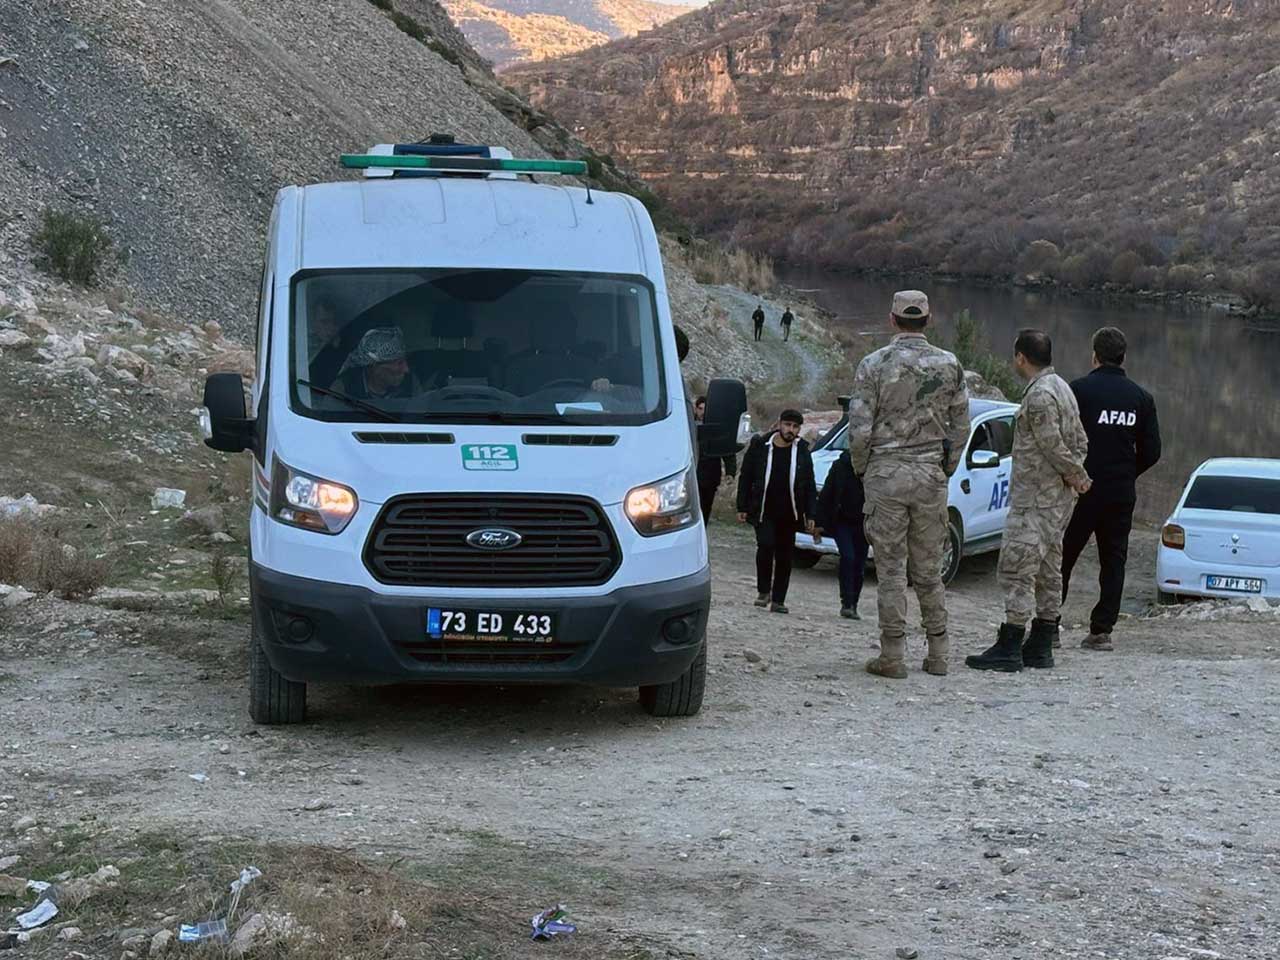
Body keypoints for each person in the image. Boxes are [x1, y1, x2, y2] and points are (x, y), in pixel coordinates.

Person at [848, 290, 970, 678]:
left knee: (890, 568)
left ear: (892, 319)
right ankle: (938, 653)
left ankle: (893, 655)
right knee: (929, 569)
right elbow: (961, 426)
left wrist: (864, 469)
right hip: (930, 473)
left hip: (886, 473)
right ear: (928, 320)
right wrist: (946, 466)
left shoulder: (874, 364)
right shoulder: (949, 365)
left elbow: (859, 427)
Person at [966, 329, 1090, 673]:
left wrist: (1075, 476)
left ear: (1021, 357)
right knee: (1050, 568)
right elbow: (1081, 440)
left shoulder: (1038, 396)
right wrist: (1073, 477)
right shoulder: (1063, 387)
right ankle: (1041, 643)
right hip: (1056, 501)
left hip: (1036, 498)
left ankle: (1011, 642)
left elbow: (1052, 444)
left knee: (1017, 568)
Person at [1061, 327, 1161, 651]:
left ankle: (1048, 623)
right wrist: (1128, 472)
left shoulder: (1078, 391)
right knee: (1114, 560)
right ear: (1124, 357)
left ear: (1094, 355)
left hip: (1081, 488)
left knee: (1063, 555)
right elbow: (1153, 450)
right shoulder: (1141, 398)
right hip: (1120, 492)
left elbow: (1061, 438)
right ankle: (1101, 631)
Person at [736, 409, 817, 614]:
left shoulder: (802, 451)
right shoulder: (760, 446)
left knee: (784, 555)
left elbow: (808, 485)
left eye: (795, 427)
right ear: (779, 424)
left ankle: (779, 599)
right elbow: (746, 477)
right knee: (765, 546)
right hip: (763, 510)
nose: (791, 430)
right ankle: (764, 591)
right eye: (788, 425)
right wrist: (742, 506)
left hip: (790, 513)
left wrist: (811, 515)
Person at [814, 448, 869, 619]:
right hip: (842, 521)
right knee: (848, 557)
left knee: (859, 563)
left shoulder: (874, 469)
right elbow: (827, 494)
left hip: (864, 523)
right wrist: (819, 523)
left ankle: (853, 603)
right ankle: (846, 602)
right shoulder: (840, 465)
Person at [335, 327, 416, 401]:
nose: (406, 369)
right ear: (374, 366)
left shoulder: (410, 383)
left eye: (405, 361)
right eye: (399, 363)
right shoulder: (344, 387)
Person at [694, 395, 737, 521]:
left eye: (706, 409)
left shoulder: (717, 428)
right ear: (696, 409)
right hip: (690, 474)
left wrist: (730, 472)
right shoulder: (687, 425)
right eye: (700, 409)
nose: (703, 413)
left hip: (709, 476)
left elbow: (728, 452)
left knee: (705, 509)